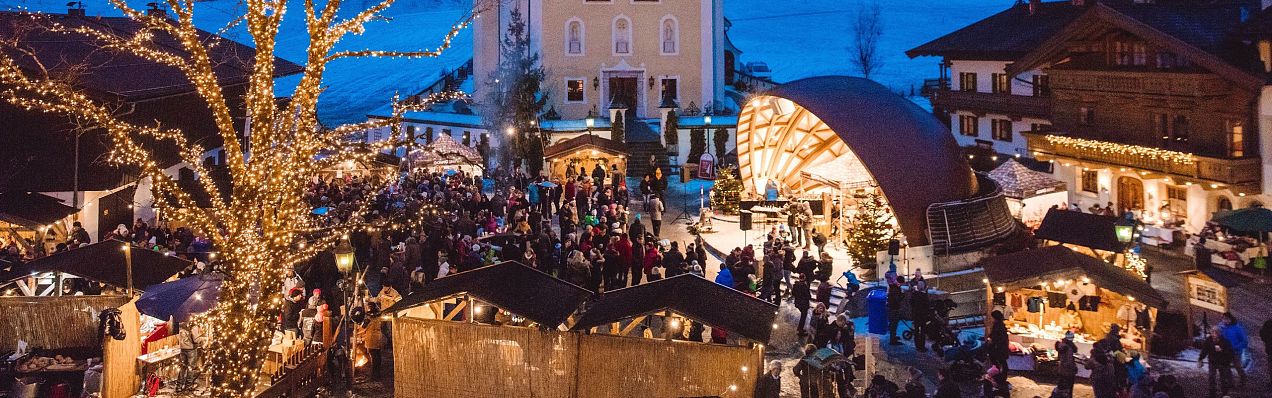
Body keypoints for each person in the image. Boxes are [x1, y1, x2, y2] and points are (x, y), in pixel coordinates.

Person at [1198, 326, 1235, 397]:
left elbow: (1230, 353)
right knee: (1211, 376)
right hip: (1213, 361)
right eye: (1212, 333)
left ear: (1219, 334)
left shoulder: (1225, 341)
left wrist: (1222, 351)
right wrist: (1201, 358)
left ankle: (1224, 392)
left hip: (1223, 362)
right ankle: (1212, 392)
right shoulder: (1209, 340)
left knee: (1223, 378)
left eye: (1216, 333)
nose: (1214, 335)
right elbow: (1205, 350)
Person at [1218, 312, 1249, 385]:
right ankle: (1230, 382)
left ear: (1230, 319)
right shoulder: (1222, 327)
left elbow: (1244, 341)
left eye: (1226, 319)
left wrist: (1236, 347)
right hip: (1226, 351)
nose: (1225, 320)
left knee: (1237, 366)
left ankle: (1243, 378)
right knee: (1226, 366)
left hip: (1235, 351)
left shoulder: (1237, 328)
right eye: (1223, 319)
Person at [1052, 331, 1078, 398]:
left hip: (1063, 369)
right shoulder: (1067, 346)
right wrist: (1073, 368)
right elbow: (1068, 359)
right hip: (1067, 370)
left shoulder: (1064, 345)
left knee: (1063, 387)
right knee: (1066, 387)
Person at [986, 310, 1010, 379]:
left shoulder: (999, 326)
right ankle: (1000, 373)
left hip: (1000, 347)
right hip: (1000, 346)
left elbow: (998, 337)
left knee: (1001, 360)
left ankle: (1002, 375)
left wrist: (992, 340)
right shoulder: (998, 325)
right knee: (1001, 360)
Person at [910, 279, 931, 352]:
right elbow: (927, 305)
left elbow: (911, 302)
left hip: (916, 314)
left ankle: (917, 345)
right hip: (922, 315)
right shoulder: (924, 295)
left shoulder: (914, 294)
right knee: (922, 331)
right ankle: (921, 346)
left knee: (916, 330)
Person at [886, 276, 905, 345]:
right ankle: (892, 340)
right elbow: (898, 300)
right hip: (893, 308)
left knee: (893, 324)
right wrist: (902, 294)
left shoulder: (892, 286)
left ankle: (893, 337)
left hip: (891, 308)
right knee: (894, 324)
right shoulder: (895, 289)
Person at [1262, 319, 1272, 387]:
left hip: (1270, 349)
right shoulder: (1268, 323)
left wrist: (1266, 341)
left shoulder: (1268, 323)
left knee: (1270, 367)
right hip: (1270, 349)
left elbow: (1262, 333)